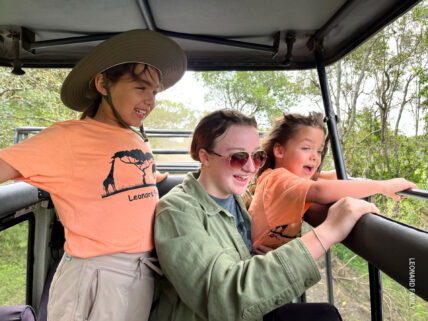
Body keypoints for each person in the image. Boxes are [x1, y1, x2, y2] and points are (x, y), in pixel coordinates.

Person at [0, 29, 186, 321]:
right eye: (141, 88)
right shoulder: (67, 138)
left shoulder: (134, 139)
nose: (150, 101)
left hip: (142, 272)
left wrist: (153, 180)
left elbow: (133, 183)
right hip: (97, 275)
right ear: (102, 84)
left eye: (155, 92)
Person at [151, 109, 381, 321]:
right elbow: (223, 296)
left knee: (325, 314)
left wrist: (252, 256)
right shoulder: (176, 211)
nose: (251, 168)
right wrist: (329, 231)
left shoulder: (235, 200)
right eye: (239, 157)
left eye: (257, 156)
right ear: (205, 157)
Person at [247, 112, 417, 250]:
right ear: (279, 150)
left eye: (319, 150)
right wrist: (383, 186)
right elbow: (320, 191)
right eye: (306, 148)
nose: (314, 157)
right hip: (259, 261)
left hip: (273, 258)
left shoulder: (289, 177)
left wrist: (342, 176)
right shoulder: (277, 179)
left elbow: (328, 177)